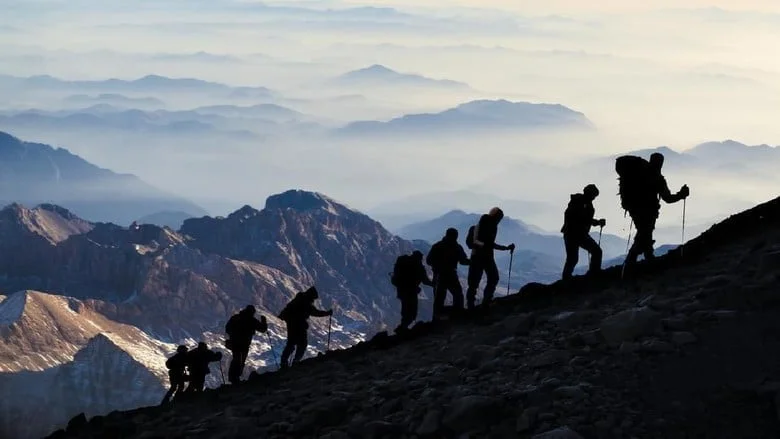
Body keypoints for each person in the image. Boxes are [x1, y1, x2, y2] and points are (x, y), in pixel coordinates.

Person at [616, 152, 690, 266]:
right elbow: (668, 198)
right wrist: (681, 195)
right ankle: (634, 260)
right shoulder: (658, 179)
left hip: (634, 209)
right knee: (644, 233)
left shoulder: (639, 172)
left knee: (644, 233)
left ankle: (645, 257)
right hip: (648, 211)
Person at [465, 207, 515, 310]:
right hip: (485, 257)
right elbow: (490, 244)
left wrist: (505, 248)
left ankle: (472, 306)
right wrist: (505, 248)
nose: (499, 221)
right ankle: (486, 302)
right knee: (492, 278)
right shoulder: (491, 226)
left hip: (477, 257)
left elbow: (485, 243)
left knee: (474, 283)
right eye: (499, 218)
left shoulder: (482, 225)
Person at [278, 287, 333, 368]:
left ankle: (284, 362)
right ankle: (296, 362)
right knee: (302, 343)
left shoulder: (299, 299)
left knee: (291, 343)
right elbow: (315, 312)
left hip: (291, 324)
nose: (313, 300)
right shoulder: (306, 302)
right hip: (299, 325)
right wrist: (327, 313)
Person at [560, 184, 606, 280]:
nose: (593, 198)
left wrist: (596, 222)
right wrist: (597, 222)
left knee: (573, 258)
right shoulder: (581, 203)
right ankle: (593, 273)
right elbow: (583, 219)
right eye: (593, 196)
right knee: (594, 252)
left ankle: (566, 278)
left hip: (572, 234)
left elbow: (584, 218)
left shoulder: (579, 202)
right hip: (576, 234)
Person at [426, 228, 470, 320]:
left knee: (439, 298)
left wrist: (437, 265)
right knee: (458, 294)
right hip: (451, 275)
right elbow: (463, 261)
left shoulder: (437, 246)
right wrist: (473, 261)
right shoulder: (457, 247)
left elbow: (428, 261)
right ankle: (458, 315)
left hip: (439, 275)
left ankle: (436, 320)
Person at [391, 250, 434, 333]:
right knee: (412, 311)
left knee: (406, 309)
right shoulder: (418, 267)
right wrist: (434, 284)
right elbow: (425, 281)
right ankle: (403, 329)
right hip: (411, 292)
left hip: (402, 290)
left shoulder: (403, 261)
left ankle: (402, 327)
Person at [225, 305, 268, 385]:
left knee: (236, 359)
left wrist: (233, 335)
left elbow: (227, 328)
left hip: (235, 343)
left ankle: (233, 378)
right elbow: (262, 329)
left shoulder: (236, 318)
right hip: (244, 344)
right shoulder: (251, 320)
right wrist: (264, 321)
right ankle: (236, 377)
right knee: (241, 360)